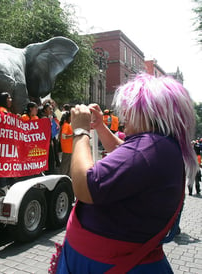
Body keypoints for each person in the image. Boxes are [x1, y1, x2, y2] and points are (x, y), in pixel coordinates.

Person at [52, 74, 197, 273]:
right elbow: (121, 149)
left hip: (110, 264)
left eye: (131, 107)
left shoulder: (148, 147)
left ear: (148, 113)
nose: (125, 113)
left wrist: (81, 132)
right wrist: (100, 126)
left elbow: (85, 186)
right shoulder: (158, 144)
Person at [59, 111, 72, 176]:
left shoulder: (67, 125)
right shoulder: (66, 125)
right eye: (71, 116)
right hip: (67, 149)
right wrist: (73, 135)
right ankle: (63, 178)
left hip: (69, 149)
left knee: (68, 166)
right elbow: (64, 136)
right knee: (65, 166)